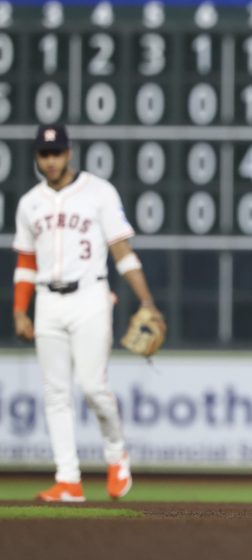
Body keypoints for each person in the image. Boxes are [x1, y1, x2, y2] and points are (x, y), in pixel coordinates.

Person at [12, 124, 165, 502]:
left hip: (91, 298)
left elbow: (123, 253)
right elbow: (26, 263)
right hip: (47, 301)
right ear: (37, 156)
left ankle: (116, 455)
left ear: (69, 153)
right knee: (55, 394)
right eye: (44, 154)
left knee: (94, 388)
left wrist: (146, 301)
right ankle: (68, 479)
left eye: (57, 152)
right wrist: (20, 310)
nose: (50, 160)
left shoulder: (98, 192)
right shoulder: (29, 203)